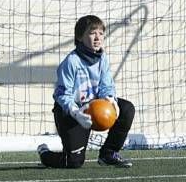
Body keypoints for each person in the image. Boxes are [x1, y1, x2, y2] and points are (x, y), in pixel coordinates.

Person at [37, 15, 135, 168]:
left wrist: (110, 99)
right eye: (92, 33)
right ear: (79, 37)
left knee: (127, 108)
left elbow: (107, 86)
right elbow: (62, 94)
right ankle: (45, 154)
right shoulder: (71, 62)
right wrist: (76, 113)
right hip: (71, 113)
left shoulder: (102, 59)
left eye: (101, 33)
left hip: (94, 107)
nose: (97, 38)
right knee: (74, 162)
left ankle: (108, 153)